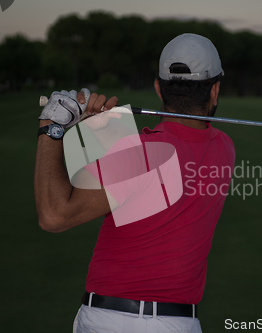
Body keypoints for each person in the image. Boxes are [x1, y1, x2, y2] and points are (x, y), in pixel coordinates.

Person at [34, 33, 235, 333]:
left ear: (158, 87)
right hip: (181, 323)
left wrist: (51, 129)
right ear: (215, 90)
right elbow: (149, 181)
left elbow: (54, 215)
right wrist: (103, 132)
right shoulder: (224, 148)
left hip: (113, 322)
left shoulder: (139, 152)